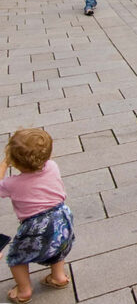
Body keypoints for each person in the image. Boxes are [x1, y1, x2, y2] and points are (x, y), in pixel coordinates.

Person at [1, 128, 75, 303]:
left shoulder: (12, 183)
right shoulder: (52, 166)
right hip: (62, 217)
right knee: (59, 247)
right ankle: (59, 277)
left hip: (36, 226)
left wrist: (4, 164)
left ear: (16, 163)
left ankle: (24, 291)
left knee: (16, 258)